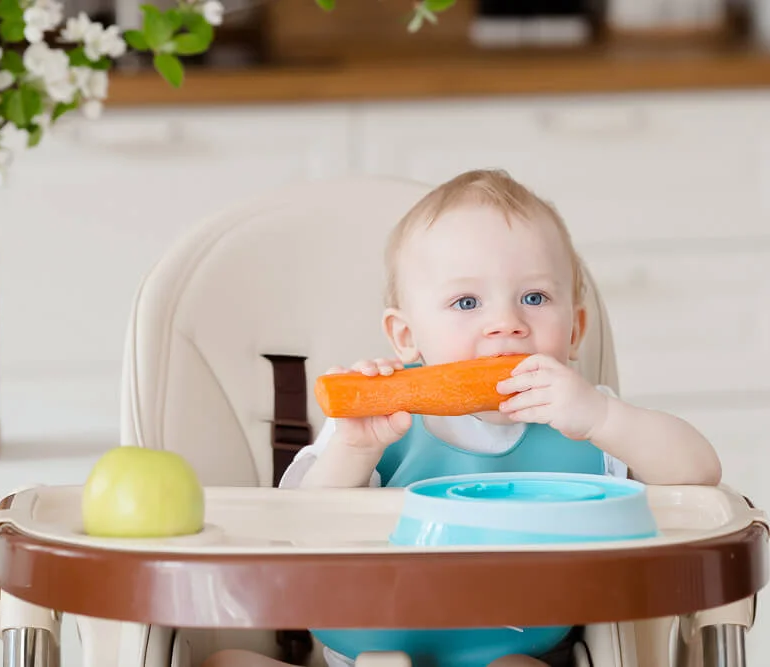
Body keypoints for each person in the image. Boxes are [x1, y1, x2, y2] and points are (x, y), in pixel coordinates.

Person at [203, 169, 722, 667]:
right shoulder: (378, 415)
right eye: (467, 301)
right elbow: (302, 532)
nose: (506, 324)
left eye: (535, 297)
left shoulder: (586, 417)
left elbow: (698, 474)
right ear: (406, 336)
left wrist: (603, 416)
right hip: (369, 656)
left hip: (518, 652)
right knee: (224, 663)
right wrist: (355, 452)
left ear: (575, 329)